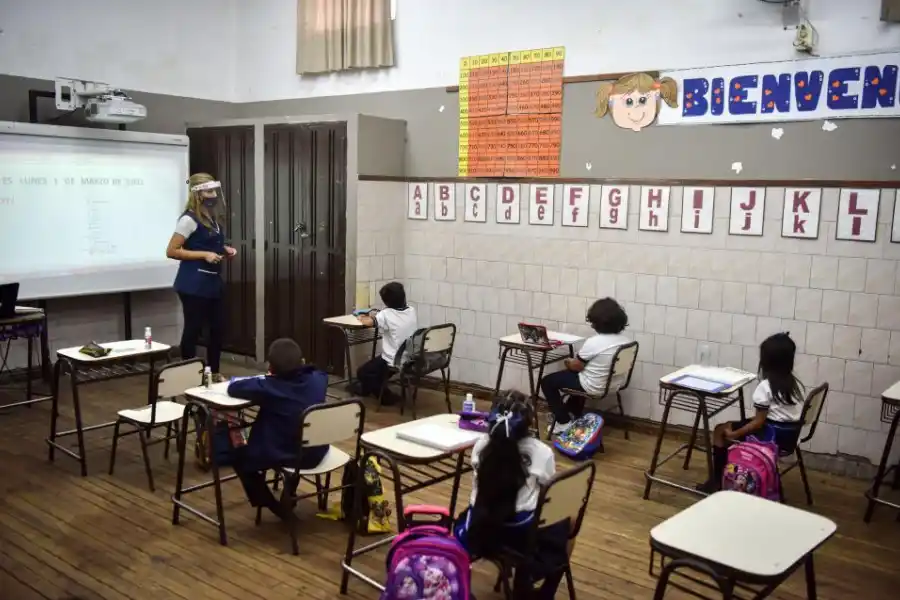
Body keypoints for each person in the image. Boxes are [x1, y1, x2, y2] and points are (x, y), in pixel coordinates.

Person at [454, 390, 567, 599]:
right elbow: (546, 491)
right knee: (567, 523)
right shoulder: (541, 452)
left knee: (460, 522)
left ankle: (461, 584)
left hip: (481, 528)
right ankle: (540, 589)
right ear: (529, 422)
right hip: (521, 533)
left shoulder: (481, 446)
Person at [227, 338, 329, 518]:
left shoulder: (269, 387)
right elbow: (319, 372)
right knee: (294, 433)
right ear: (302, 361)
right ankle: (289, 490)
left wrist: (268, 378)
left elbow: (234, 388)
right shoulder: (318, 381)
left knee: (237, 454)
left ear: (271, 368)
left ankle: (273, 505)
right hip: (317, 450)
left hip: (287, 455)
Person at [697, 332, 805, 493]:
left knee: (720, 430)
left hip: (771, 437)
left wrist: (735, 434)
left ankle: (716, 482)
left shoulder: (766, 387)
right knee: (734, 424)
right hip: (790, 437)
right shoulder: (795, 385)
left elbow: (758, 422)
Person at [166, 173, 237, 383]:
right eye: (208, 191)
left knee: (217, 329)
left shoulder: (211, 217)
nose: (213, 195)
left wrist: (224, 249)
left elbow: (204, 242)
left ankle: (214, 372)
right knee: (193, 330)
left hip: (212, 283)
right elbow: (172, 250)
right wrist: (203, 255)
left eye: (214, 191)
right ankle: (187, 375)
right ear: (197, 194)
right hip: (193, 284)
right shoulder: (188, 219)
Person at [540, 297, 630, 437]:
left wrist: (568, 362)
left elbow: (576, 366)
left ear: (596, 322)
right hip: (615, 384)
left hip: (594, 386)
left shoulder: (594, 342)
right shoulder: (626, 342)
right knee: (577, 378)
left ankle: (563, 423)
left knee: (548, 381)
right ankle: (572, 414)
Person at [351, 281, 417, 405]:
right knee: (374, 370)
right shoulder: (411, 310)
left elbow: (368, 322)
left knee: (362, 372)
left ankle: (385, 397)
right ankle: (368, 389)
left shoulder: (386, 315)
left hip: (393, 360)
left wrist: (361, 317)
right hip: (409, 356)